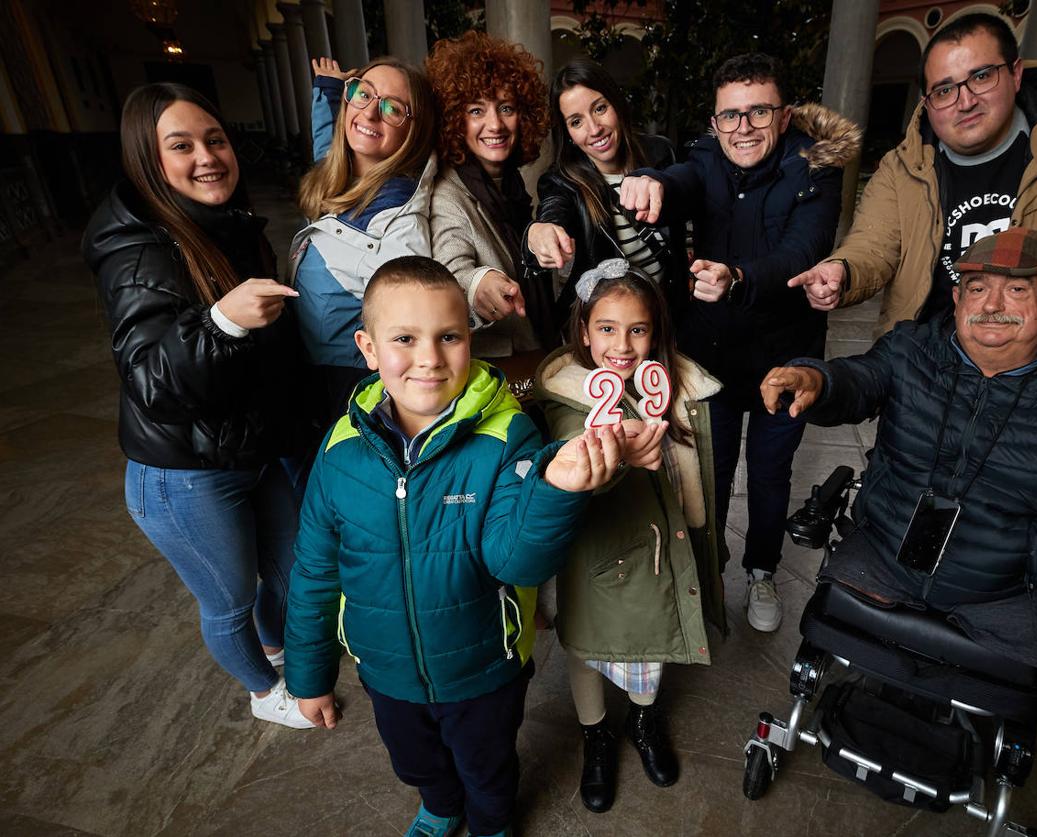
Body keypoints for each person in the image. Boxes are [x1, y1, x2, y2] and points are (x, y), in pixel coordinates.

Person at [284, 256, 639, 837]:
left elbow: (516, 561)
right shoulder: (340, 447)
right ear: (368, 349)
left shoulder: (505, 434)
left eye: (449, 336)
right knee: (416, 762)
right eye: (404, 339)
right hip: (386, 668)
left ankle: (492, 823)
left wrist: (556, 489)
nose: (429, 358)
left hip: (483, 669)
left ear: (469, 339)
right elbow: (314, 570)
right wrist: (308, 673)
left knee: (488, 766)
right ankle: (440, 806)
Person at [761, 228, 1037, 671]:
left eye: (1017, 289)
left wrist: (1031, 550)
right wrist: (816, 381)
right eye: (978, 289)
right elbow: (859, 379)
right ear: (958, 299)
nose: (993, 306)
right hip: (887, 552)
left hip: (1009, 588)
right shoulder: (913, 350)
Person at [82, 83, 312, 728]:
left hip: (250, 449)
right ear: (147, 161)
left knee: (293, 571)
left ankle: (277, 649)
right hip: (183, 473)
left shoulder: (225, 222)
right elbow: (151, 380)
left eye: (214, 139)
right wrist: (221, 323)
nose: (207, 157)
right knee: (230, 599)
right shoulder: (135, 251)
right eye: (180, 146)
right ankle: (264, 693)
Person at [619, 53, 861, 632]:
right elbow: (680, 182)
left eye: (758, 112)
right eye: (731, 116)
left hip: (786, 354)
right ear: (715, 121)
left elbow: (804, 252)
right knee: (713, 470)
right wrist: (651, 182)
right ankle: (709, 571)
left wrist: (739, 278)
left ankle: (761, 571)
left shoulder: (815, 168)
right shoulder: (704, 158)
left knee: (772, 473)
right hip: (715, 356)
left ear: (783, 115)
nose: (744, 128)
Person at [793, 12, 1037, 365]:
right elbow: (875, 243)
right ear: (927, 101)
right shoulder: (903, 166)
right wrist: (843, 269)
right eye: (944, 89)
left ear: (1015, 74)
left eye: (981, 76)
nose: (965, 100)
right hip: (924, 357)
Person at [533, 258, 723, 813]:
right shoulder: (568, 393)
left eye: (637, 329)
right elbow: (573, 451)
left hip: (659, 547)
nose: (622, 344)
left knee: (650, 641)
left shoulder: (678, 386)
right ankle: (594, 734)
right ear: (584, 332)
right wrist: (615, 452)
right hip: (596, 547)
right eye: (607, 329)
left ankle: (643, 717)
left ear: (655, 332)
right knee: (586, 644)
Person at [291, 56, 438, 426]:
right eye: (363, 94)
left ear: (414, 131)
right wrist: (327, 87)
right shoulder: (341, 177)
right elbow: (329, 146)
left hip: (348, 387)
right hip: (311, 372)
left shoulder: (396, 219)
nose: (370, 114)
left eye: (393, 108)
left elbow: (418, 319)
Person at [524, 58, 690, 330]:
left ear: (617, 104)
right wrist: (539, 233)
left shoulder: (660, 152)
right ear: (567, 133)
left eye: (600, 108)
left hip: (669, 320)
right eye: (576, 122)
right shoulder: (561, 182)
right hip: (607, 331)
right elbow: (553, 213)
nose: (594, 129)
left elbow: (686, 206)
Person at [426, 31, 559, 362]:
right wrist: (477, 284)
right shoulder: (449, 193)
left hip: (539, 349)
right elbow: (449, 270)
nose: (495, 124)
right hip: (499, 366)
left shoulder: (510, 186)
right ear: (455, 120)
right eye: (476, 111)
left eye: (506, 107)